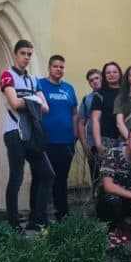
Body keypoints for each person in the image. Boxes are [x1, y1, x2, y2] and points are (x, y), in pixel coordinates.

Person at [0, 39, 53, 231]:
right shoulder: (7, 75)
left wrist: (29, 101)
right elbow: (14, 103)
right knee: (17, 176)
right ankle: (13, 224)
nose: (26, 57)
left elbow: (46, 107)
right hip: (14, 132)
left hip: (32, 134)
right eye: (23, 53)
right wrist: (34, 100)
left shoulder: (33, 80)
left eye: (29, 54)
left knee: (47, 174)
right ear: (16, 54)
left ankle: (37, 220)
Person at [39, 55, 78, 221]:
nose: (59, 69)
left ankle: (62, 215)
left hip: (66, 142)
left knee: (62, 179)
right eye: (55, 66)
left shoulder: (69, 88)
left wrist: (75, 135)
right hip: (47, 141)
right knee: (44, 178)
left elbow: (75, 113)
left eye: (61, 67)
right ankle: (40, 216)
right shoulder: (40, 85)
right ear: (49, 67)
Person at [77, 69, 102, 190]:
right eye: (91, 80)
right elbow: (81, 123)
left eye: (97, 78)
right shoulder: (87, 99)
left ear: (102, 78)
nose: (95, 82)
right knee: (96, 179)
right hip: (93, 146)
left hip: (111, 143)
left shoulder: (112, 95)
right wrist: (85, 145)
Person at [91, 62, 123, 156]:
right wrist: (98, 144)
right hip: (107, 140)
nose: (111, 74)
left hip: (127, 139)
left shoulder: (127, 92)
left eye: (115, 72)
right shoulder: (99, 95)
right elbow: (95, 120)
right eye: (108, 73)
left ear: (120, 74)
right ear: (104, 76)